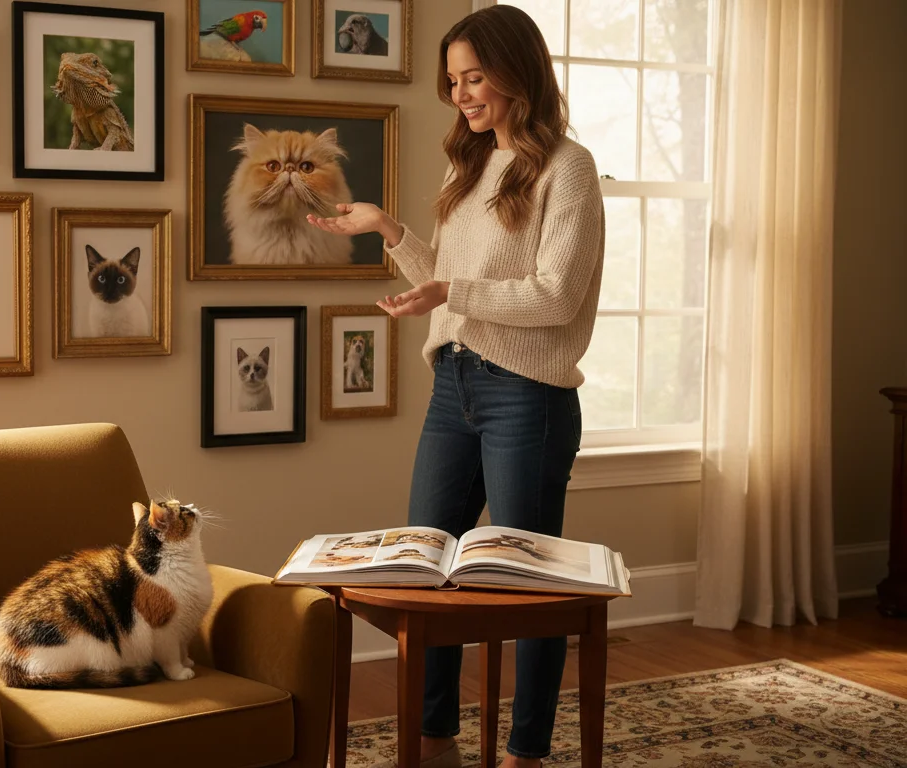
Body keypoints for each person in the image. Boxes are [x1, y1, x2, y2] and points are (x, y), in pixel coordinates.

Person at [306, 5, 605, 767]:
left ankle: (524, 752)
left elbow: (554, 297)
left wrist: (448, 293)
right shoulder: (467, 165)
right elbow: (448, 279)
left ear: (516, 71)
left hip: (527, 395)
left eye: (474, 77)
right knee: (423, 569)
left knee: (527, 583)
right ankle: (432, 738)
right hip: (456, 387)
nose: (462, 94)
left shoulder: (567, 167)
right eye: (452, 80)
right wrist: (388, 229)